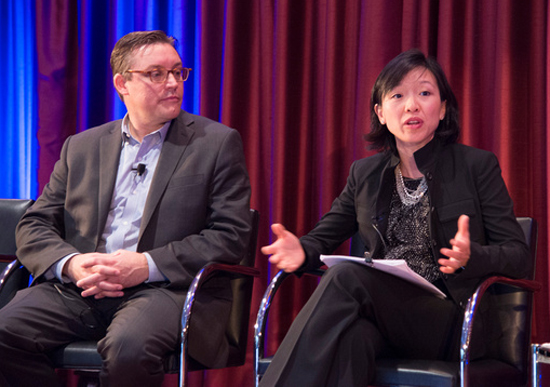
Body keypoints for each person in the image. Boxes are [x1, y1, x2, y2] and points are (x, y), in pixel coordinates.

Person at [259, 49, 530, 386]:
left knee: (346, 277)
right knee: (352, 339)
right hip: (388, 321)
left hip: (453, 319)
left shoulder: (477, 166)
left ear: (443, 108)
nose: (411, 105)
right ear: (381, 113)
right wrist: (302, 250)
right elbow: (323, 235)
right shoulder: (365, 174)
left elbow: (519, 257)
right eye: (397, 95)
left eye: (425, 94)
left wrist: (472, 256)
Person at [0, 30, 251, 387]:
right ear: (122, 84)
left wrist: (145, 265)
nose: (172, 83)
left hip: (164, 289)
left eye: (178, 72)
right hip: (80, 289)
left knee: (128, 348)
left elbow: (230, 235)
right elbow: (35, 223)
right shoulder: (82, 147)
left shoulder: (216, 143)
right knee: (3, 332)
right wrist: (71, 264)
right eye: (156, 74)